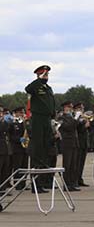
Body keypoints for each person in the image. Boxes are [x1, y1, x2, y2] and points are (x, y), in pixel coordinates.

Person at [25, 65, 56, 193]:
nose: (46, 77)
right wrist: (39, 79)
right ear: (39, 75)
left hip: (47, 119)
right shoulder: (36, 87)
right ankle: (35, 185)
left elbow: (50, 103)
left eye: (47, 75)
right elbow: (28, 88)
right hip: (38, 119)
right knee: (37, 150)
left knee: (45, 149)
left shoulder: (48, 88)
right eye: (44, 75)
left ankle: (42, 182)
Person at [58, 102, 80, 191]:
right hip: (67, 143)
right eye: (69, 107)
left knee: (73, 165)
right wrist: (75, 118)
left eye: (71, 107)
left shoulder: (71, 117)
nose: (71, 109)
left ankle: (72, 183)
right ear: (64, 108)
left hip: (74, 142)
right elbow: (68, 127)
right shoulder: (61, 118)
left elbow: (76, 127)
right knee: (67, 164)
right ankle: (66, 185)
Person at [9, 107, 29, 190]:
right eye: (20, 112)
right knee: (18, 167)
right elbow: (10, 136)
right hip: (17, 148)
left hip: (25, 148)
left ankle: (23, 183)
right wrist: (19, 139)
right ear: (16, 113)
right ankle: (17, 184)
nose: (22, 114)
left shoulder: (24, 123)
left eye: (23, 112)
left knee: (25, 166)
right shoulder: (12, 123)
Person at [73, 103, 90, 187]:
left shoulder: (83, 117)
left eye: (83, 109)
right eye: (81, 109)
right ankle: (75, 180)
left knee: (81, 163)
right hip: (78, 142)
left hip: (84, 143)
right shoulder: (75, 118)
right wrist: (84, 126)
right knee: (77, 163)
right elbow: (76, 128)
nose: (82, 110)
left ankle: (79, 179)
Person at [0, 108, 12, 195]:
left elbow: (9, 131)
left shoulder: (4, 123)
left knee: (5, 170)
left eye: (2, 112)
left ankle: (3, 189)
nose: (1, 114)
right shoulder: (2, 123)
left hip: (6, 149)